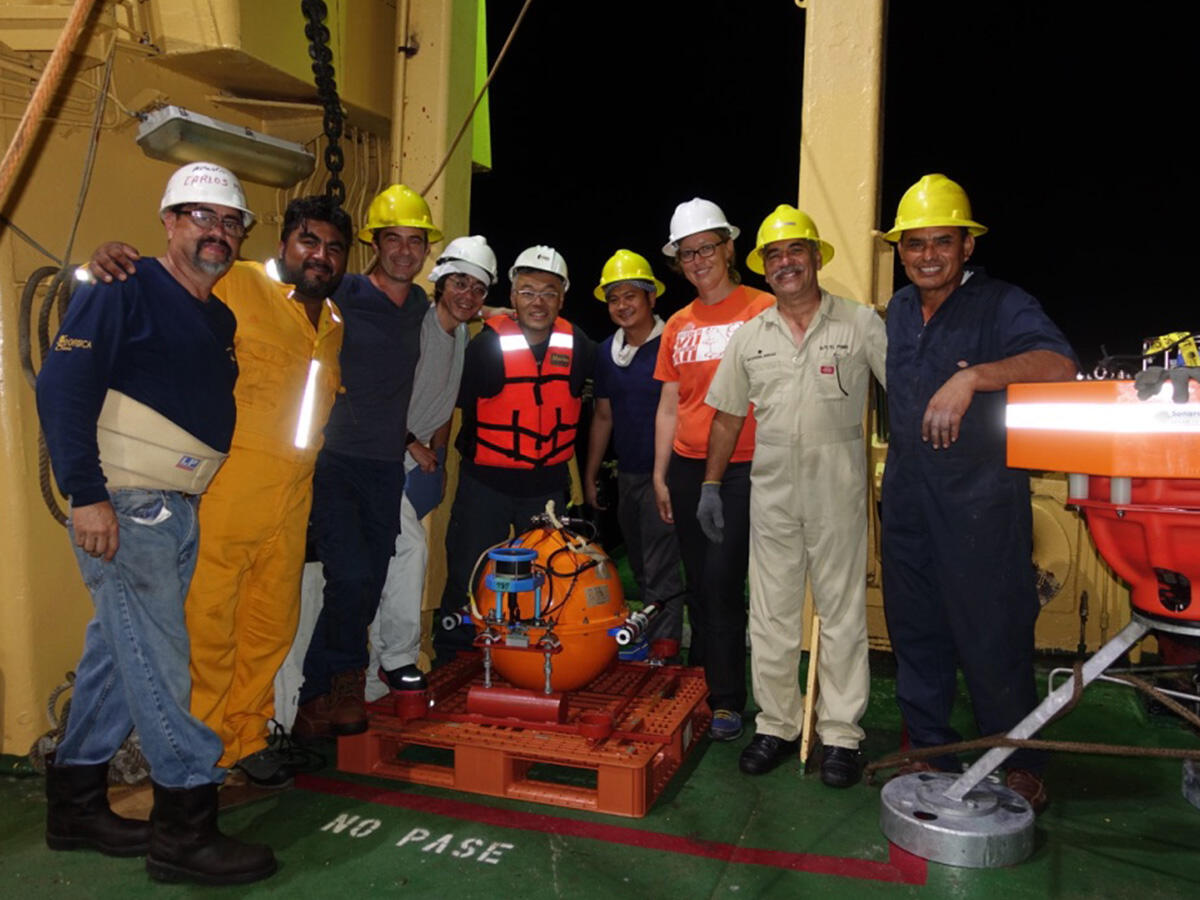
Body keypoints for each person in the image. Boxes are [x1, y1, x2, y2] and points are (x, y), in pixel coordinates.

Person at [36, 161, 276, 885]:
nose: (218, 232)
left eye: (230, 221)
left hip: (179, 510)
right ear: (169, 222)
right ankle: (183, 829)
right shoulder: (121, 285)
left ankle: (75, 802)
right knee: (165, 667)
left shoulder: (220, 313)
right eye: (201, 216)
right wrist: (87, 494)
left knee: (119, 657)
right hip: (128, 506)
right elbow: (62, 386)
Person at [85, 197, 352, 787]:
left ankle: (247, 736)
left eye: (334, 248)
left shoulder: (333, 322)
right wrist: (107, 263)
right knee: (208, 625)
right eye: (309, 241)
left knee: (270, 626)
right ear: (284, 243)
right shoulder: (237, 282)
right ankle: (200, 754)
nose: (320, 255)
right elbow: (169, 283)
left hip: (291, 497)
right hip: (228, 489)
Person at [879, 174, 1077, 813]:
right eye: (914, 245)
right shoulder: (901, 310)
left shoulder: (1001, 303)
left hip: (982, 501)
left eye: (942, 242)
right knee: (916, 628)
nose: (927, 255)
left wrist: (978, 380)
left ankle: (1020, 761)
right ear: (900, 251)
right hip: (909, 496)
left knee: (991, 633)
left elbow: (1057, 362)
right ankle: (932, 748)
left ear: (967, 246)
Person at [702, 206, 885, 786]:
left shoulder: (860, 324)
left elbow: (901, 398)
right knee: (771, 616)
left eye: (795, 252)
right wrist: (710, 483)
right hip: (773, 489)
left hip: (839, 488)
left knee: (842, 615)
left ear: (814, 257)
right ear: (764, 266)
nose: (786, 263)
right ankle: (776, 724)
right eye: (775, 256)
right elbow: (728, 418)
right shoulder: (750, 337)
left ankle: (840, 735)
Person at [293, 184, 440, 738]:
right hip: (336, 459)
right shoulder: (345, 291)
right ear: (373, 244)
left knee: (369, 579)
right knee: (350, 575)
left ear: (426, 247)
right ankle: (325, 688)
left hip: (385, 465)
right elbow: (279, 280)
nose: (405, 250)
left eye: (415, 240)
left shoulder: (421, 304)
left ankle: (331, 690)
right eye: (393, 239)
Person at [435, 246, 597, 662]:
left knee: (546, 576)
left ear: (562, 297)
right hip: (485, 482)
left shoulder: (579, 346)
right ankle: (454, 655)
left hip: (545, 489)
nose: (537, 302)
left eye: (548, 292)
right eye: (527, 292)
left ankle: (533, 654)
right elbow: (448, 403)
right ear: (513, 295)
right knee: (468, 571)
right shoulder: (486, 345)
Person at [652, 198, 774, 741]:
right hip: (685, 466)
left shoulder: (763, 309)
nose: (698, 259)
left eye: (706, 248)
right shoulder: (678, 323)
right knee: (699, 583)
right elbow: (670, 405)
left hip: (747, 468)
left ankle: (728, 699)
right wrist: (660, 473)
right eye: (687, 253)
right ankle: (707, 681)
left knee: (724, 581)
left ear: (729, 248)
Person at [366, 236, 497, 699]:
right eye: (460, 283)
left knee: (383, 560)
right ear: (440, 281)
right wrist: (409, 443)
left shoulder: (461, 333)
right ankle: (399, 657)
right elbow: (377, 389)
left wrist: (437, 457)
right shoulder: (416, 323)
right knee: (410, 551)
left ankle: (370, 677)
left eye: (478, 289)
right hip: (378, 450)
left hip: (414, 458)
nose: (468, 294)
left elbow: (443, 404)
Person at [583, 249, 685, 651]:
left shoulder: (673, 343)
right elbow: (603, 417)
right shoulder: (608, 353)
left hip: (669, 475)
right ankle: (655, 641)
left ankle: (665, 656)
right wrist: (589, 476)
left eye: (631, 296)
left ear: (651, 298)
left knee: (661, 569)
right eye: (613, 298)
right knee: (641, 566)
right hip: (629, 476)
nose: (622, 305)